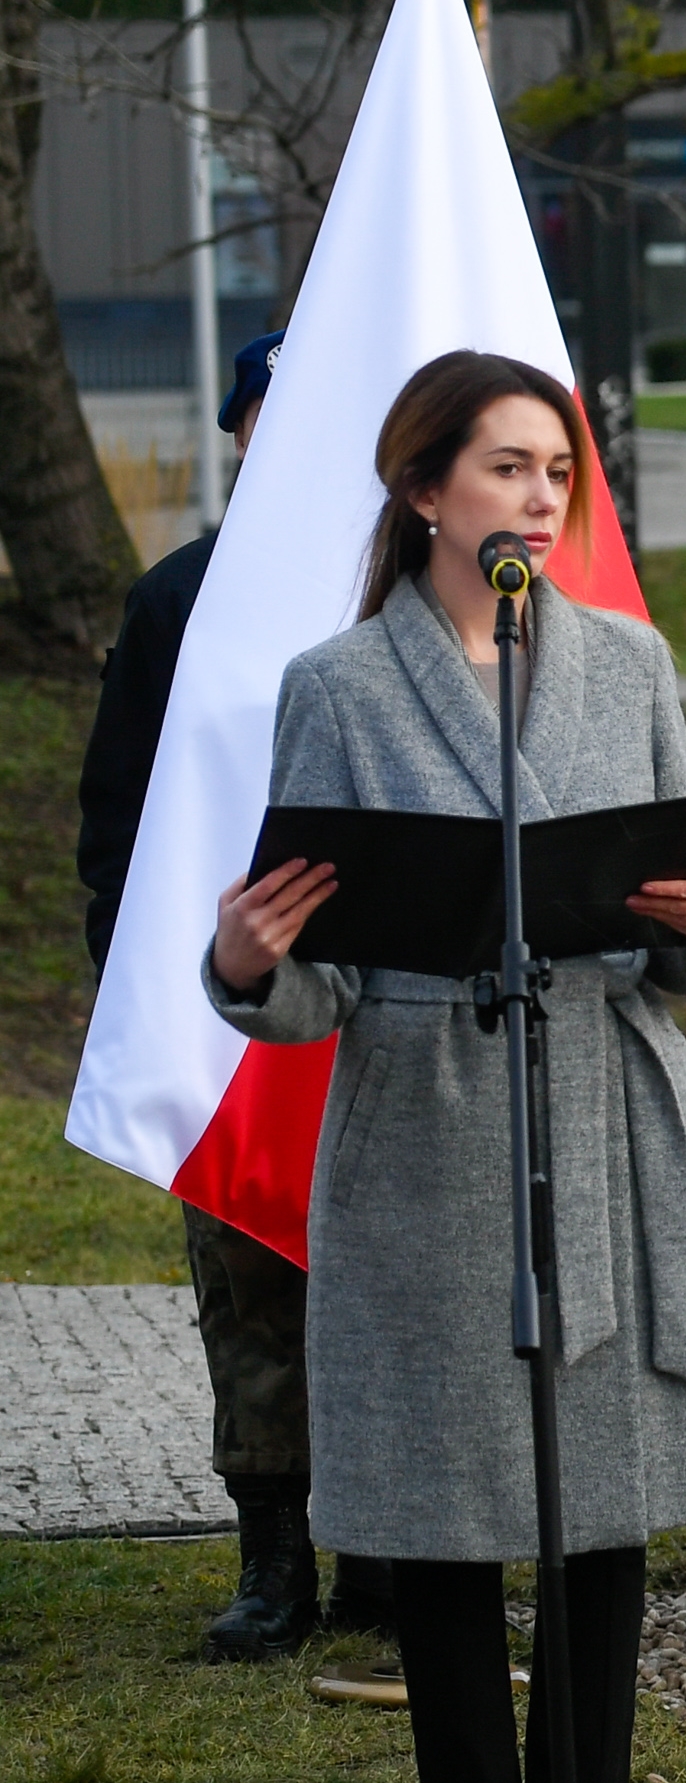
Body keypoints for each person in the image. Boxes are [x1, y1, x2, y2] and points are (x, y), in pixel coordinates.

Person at [205, 349, 686, 1783]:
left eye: (557, 471)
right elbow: (315, 982)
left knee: (602, 1519)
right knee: (445, 1526)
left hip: (603, 1118)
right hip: (428, 1140)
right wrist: (246, 959)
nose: (539, 497)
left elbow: (683, 931)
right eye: (508, 467)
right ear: (424, 488)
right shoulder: (339, 688)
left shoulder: (628, 663)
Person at [70, 331, 392, 1663]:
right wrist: (136, 982)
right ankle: (275, 1556)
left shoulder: (403, 591)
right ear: (241, 432)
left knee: (390, 1273)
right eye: (273, 409)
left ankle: (389, 1551)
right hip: (232, 1005)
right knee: (249, 1275)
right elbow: (119, 815)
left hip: (387, 992)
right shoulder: (176, 602)